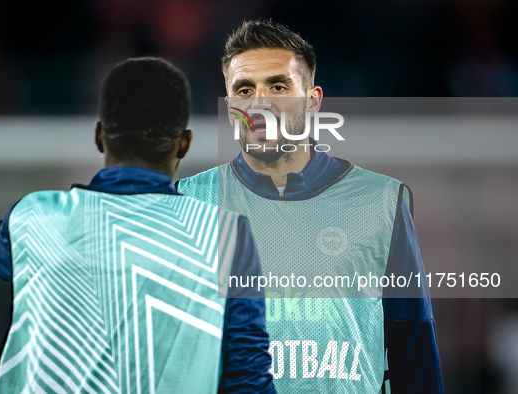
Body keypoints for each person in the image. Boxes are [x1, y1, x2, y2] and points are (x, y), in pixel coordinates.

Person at [177, 20, 443, 393]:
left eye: (278, 85)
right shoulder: (186, 202)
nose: (259, 103)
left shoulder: (381, 201)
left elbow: (413, 352)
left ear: (313, 100)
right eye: (244, 89)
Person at [0, 57, 276, 394]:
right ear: (184, 143)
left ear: (99, 136)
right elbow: (247, 376)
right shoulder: (227, 236)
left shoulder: (34, 217)